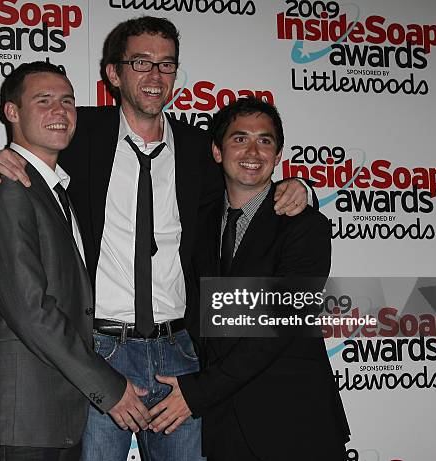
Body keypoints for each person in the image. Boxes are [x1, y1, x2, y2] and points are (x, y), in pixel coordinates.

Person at [0, 17, 312, 461]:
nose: (155, 76)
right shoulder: (78, 131)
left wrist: (302, 188)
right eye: (141, 63)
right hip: (100, 353)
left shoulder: (198, 149)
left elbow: (251, 179)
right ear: (114, 73)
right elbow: (29, 150)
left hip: (179, 352)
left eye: (166, 65)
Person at [0, 61, 152, 461]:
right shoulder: (6, 189)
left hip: (55, 414)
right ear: (12, 112)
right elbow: (30, 309)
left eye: (67, 101)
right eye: (43, 101)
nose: (59, 111)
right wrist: (110, 387)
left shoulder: (54, 189)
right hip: (24, 417)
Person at [148, 97, 351, 461]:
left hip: (295, 422)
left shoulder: (305, 226)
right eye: (240, 139)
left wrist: (198, 393)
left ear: (278, 155)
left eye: (265, 141)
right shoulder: (198, 223)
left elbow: (278, 325)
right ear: (216, 151)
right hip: (224, 425)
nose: (253, 151)